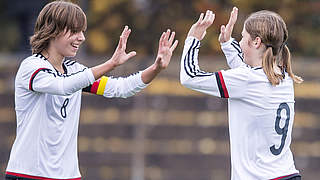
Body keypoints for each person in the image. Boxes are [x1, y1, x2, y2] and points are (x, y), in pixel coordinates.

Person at [5, 1, 178, 179]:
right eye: (74, 31)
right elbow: (62, 87)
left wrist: (156, 68)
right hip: (27, 174)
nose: (82, 38)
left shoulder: (75, 71)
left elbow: (121, 88)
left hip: (68, 176)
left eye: (82, 31)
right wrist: (111, 64)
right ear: (52, 31)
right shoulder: (32, 67)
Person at [180, 7, 302, 180]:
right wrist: (227, 43)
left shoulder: (247, 79)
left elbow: (189, 77)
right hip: (287, 174)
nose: (241, 41)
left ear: (256, 42)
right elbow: (247, 73)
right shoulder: (283, 76)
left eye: (243, 37)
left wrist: (193, 38)